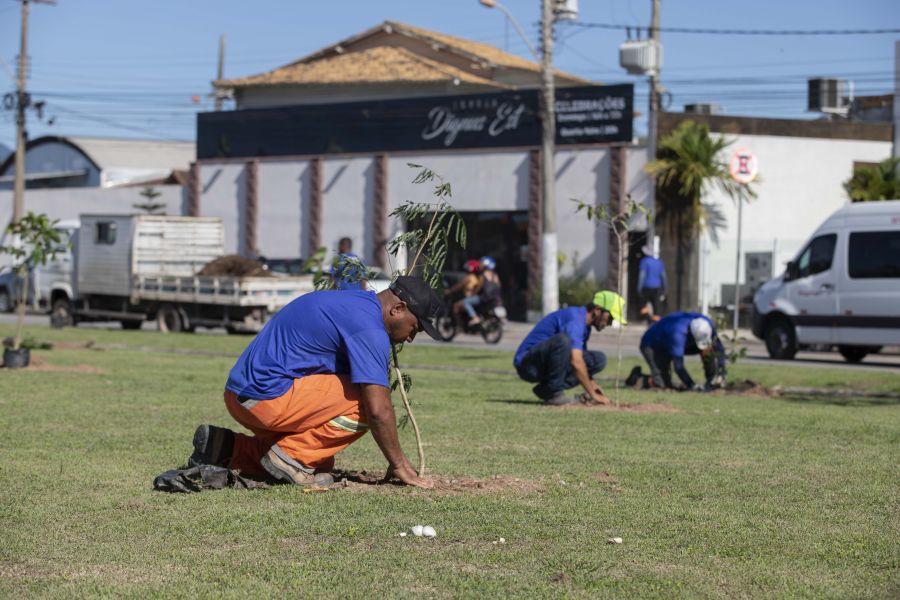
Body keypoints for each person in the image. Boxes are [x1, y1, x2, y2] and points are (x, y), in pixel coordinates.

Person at [186, 276, 442, 489]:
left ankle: (223, 447)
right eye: (415, 328)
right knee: (368, 403)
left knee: (321, 463)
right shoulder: (369, 328)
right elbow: (379, 411)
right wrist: (399, 465)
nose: (410, 338)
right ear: (397, 309)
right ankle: (291, 459)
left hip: (239, 395)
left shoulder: (355, 303)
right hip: (267, 399)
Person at [513, 291, 626, 406]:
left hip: (545, 365)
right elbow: (576, 361)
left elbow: (581, 360)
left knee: (598, 360)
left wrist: (592, 385)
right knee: (563, 341)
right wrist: (592, 394)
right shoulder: (575, 320)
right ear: (597, 310)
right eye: (610, 317)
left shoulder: (585, 327)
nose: (610, 323)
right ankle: (554, 393)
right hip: (528, 365)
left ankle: (547, 389)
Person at [627, 312, 727, 392]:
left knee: (707, 349)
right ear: (690, 333)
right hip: (653, 345)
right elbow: (678, 367)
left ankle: (711, 380)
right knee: (661, 384)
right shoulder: (677, 334)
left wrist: (721, 372)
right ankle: (636, 378)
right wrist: (691, 385)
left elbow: (719, 347)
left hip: (676, 340)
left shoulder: (707, 324)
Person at [462, 255, 503, 327]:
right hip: (495, 298)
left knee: (466, 301)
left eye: (482, 264)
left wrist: (473, 293)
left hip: (485, 298)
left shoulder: (483, 275)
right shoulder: (495, 275)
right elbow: (499, 286)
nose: (480, 265)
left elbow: (479, 287)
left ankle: (475, 318)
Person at [445, 259, 483, 326]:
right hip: (476, 297)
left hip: (470, 297)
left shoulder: (469, 277)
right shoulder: (479, 277)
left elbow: (459, 286)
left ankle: (460, 325)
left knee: (456, 306)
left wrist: (450, 291)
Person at [638, 244, 666, 324]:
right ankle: (655, 323)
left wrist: (639, 288)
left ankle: (648, 319)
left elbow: (642, 275)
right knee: (657, 307)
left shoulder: (644, 261)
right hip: (657, 288)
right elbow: (663, 277)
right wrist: (665, 288)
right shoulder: (659, 262)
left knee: (642, 305)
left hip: (646, 287)